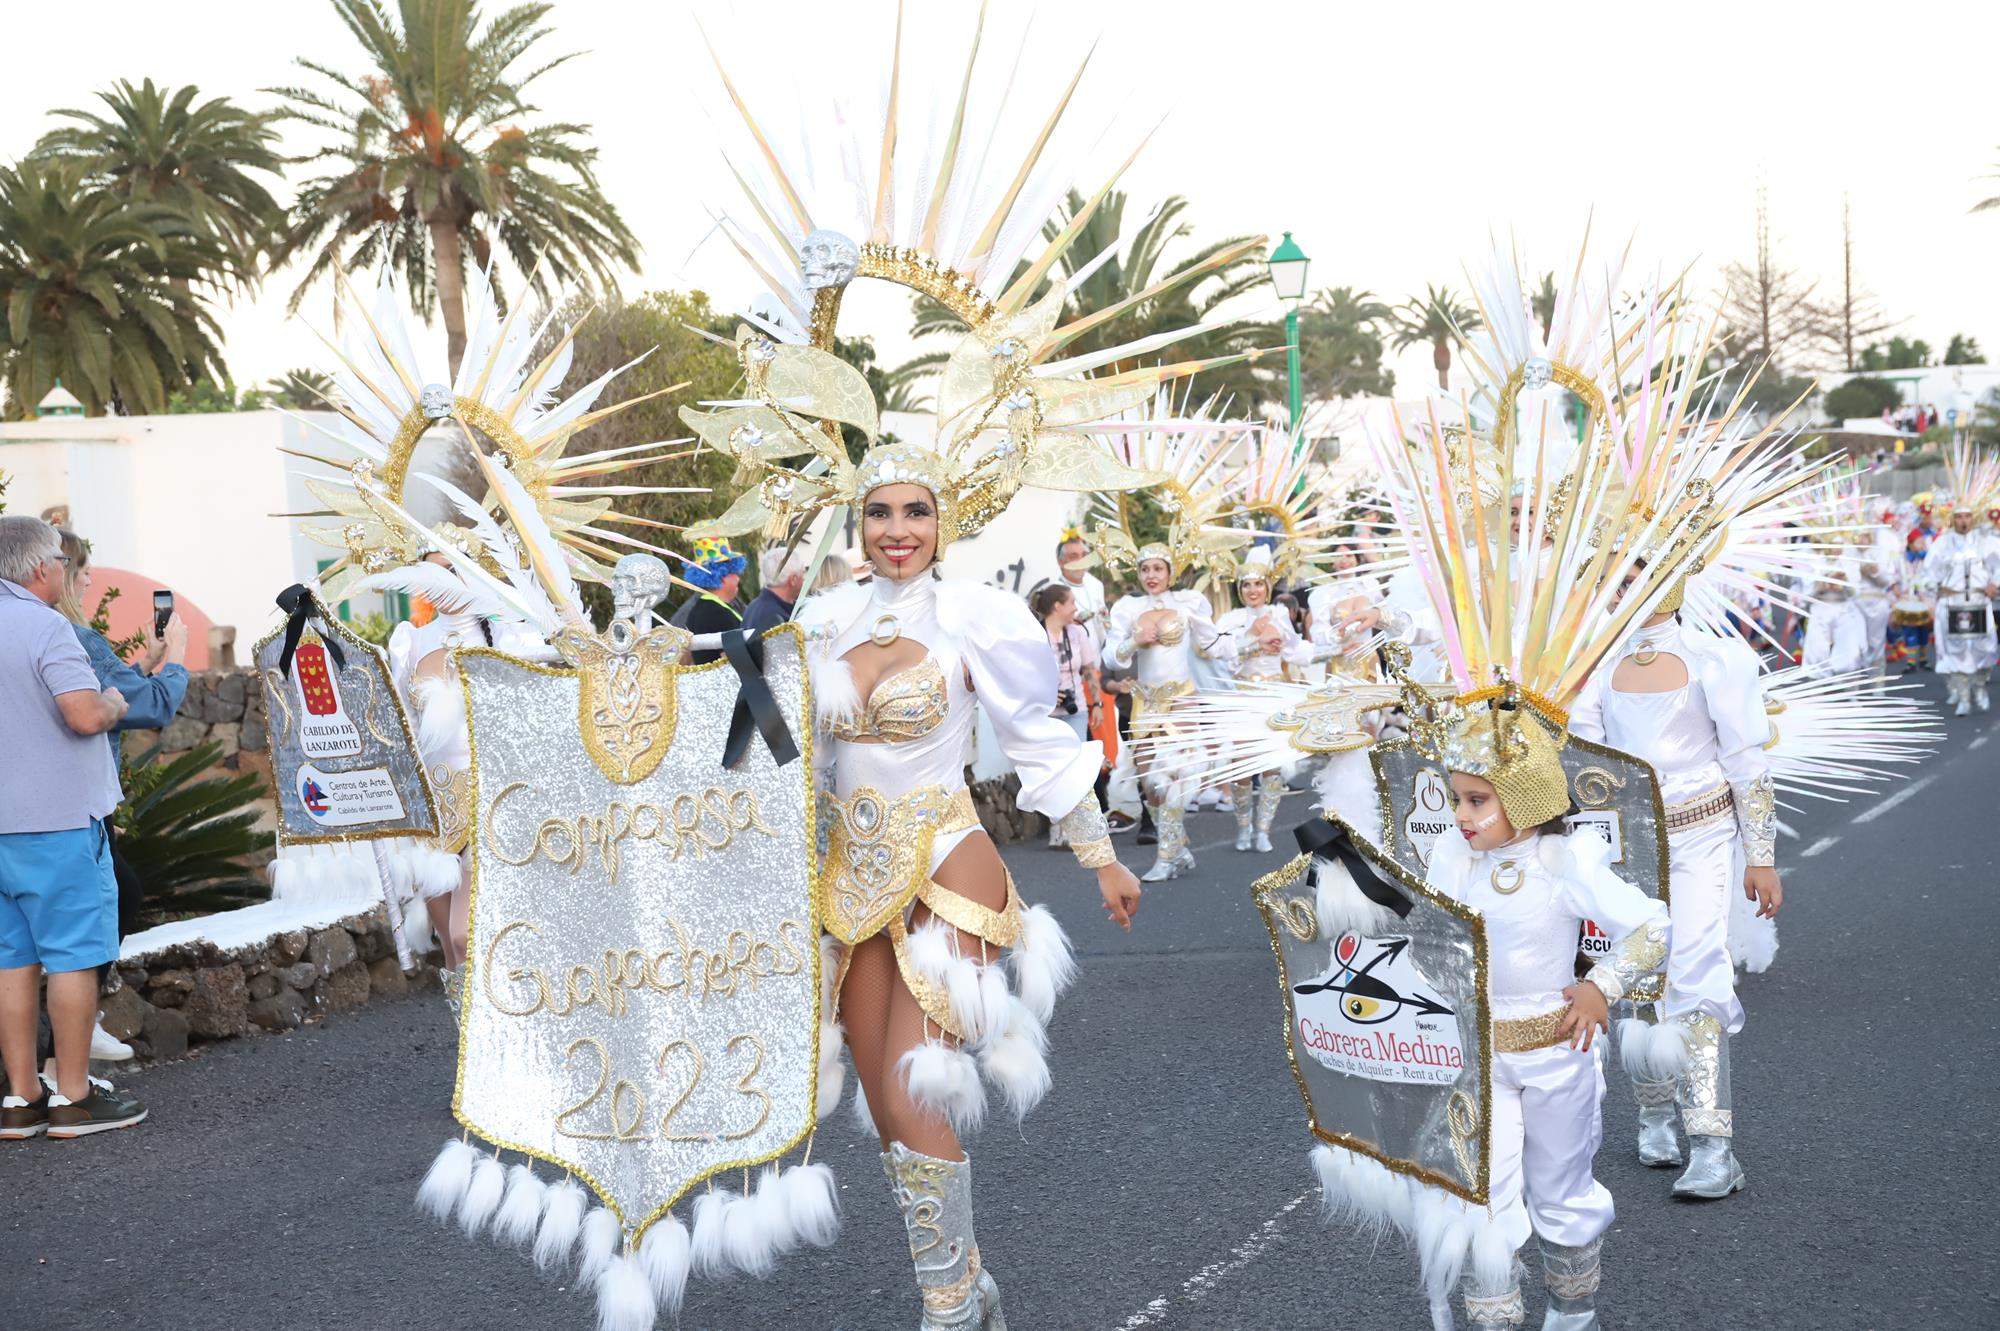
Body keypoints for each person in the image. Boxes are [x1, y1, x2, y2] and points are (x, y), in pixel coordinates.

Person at [1425, 693, 1669, 1330]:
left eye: (1477, 800)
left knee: (1561, 1189)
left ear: (1526, 797)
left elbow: (1651, 926)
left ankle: (1572, 1314)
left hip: (1558, 1052)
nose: (1461, 815)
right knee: (1481, 1195)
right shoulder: (1453, 863)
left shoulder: (1563, 862)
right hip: (1476, 1060)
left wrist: (1601, 986)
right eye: (1455, 799)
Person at [1571, 567, 1778, 1200]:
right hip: (1623, 844)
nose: (1631, 585)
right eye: (1619, 574)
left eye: (1648, 568)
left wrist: (1761, 856)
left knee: (1697, 972)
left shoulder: (1717, 659)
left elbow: (1746, 760)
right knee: (1635, 971)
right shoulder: (1591, 665)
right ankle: (1655, 1113)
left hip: (1702, 838)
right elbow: (1585, 763)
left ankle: (1714, 1147)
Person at [0, 516, 149, 1140]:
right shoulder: (46, 626)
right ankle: (75, 1097)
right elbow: (84, 715)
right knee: (71, 959)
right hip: (56, 823)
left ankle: (22, 1098)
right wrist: (115, 702)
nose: (64, 571)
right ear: (41, 568)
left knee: (11, 961)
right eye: (61, 561)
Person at [53, 528, 190, 1061]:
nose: (90, 579)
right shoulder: (76, 638)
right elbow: (149, 706)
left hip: (45, 801)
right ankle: (73, 1036)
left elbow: (110, 696)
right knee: (117, 898)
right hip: (82, 802)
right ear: (61, 572)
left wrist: (145, 665)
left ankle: (59, 1051)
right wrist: (175, 658)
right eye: (84, 570)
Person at [1103, 546, 1235, 881]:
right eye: (1145, 569)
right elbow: (1111, 657)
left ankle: (1165, 858)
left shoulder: (1189, 603)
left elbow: (1211, 643)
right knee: (1150, 784)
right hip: (1145, 702)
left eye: (1158, 569)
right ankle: (1176, 849)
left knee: (1173, 775)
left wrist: (1241, 646)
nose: (1151, 575)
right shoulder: (1128, 608)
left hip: (1181, 700)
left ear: (1170, 572)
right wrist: (1134, 641)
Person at [1214, 546, 1312, 851]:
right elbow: (1223, 659)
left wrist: (1314, 645)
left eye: (1258, 584)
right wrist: (1254, 641)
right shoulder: (1231, 619)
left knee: (1271, 765)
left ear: (1267, 587)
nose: (1253, 590)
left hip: (1273, 697)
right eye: (1246, 585)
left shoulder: (1279, 614)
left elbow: (1295, 650)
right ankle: (1243, 828)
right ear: (1239, 589)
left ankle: (1263, 831)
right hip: (1244, 698)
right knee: (1242, 765)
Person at [1028, 582, 1104, 848]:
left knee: (1076, 768)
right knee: (1053, 770)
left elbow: (1088, 670)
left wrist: (1097, 704)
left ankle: (1079, 828)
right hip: (1044, 712)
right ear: (1057, 606)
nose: (1075, 608)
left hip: (1076, 709)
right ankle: (1057, 826)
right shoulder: (1035, 634)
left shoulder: (1078, 632)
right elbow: (1023, 673)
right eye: (1071, 602)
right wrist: (1046, 692)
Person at [1928, 503, 1998, 715]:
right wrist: (1935, 588)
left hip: (1979, 601)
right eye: (1959, 517)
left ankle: (1980, 687)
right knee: (1957, 651)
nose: (1964, 521)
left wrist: (1994, 584)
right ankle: (1964, 698)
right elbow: (1929, 572)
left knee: (1985, 648)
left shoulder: (1985, 541)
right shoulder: (1942, 543)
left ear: (1973, 518)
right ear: (1952, 519)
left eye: (1967, 516)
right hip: (1953, 603)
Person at [671, 537, 746, 663]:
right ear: (721, 576)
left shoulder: (703, 608)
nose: (738, 578)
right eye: (734, 572)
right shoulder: (716, 613)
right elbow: (737, 660)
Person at [1055, 529, 1109, 652]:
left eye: (1084, 555)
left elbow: (1104, 623)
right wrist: (1070, 623)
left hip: (1099, 656)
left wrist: (1105, 620)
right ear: (1061, 562)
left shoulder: (1096, 584)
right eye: (1074, 556)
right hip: (1071, 656)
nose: (1081, 560)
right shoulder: (1055, 591)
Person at [743, 544, 808, 636]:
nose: (804, 579)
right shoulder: (774, 618)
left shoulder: (755, 606)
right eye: (803, 573)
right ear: (793, 580)